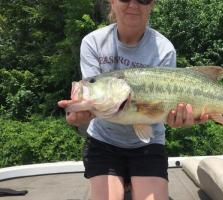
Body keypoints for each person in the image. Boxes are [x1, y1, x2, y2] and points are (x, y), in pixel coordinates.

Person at [58, 0, 208, 199]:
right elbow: (93, 104)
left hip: (148, 145)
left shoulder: (164, 49)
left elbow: (159, 112)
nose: (133, 5)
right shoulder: (93, 42)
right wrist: (81, 115)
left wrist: (178, 119)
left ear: (152, 4)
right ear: (111, 1)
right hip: (103, 143)